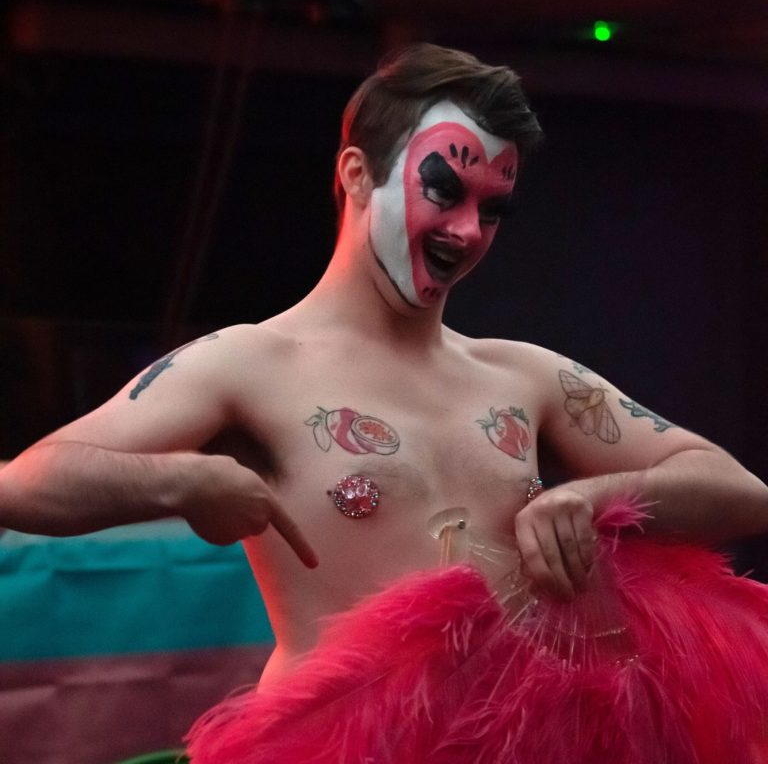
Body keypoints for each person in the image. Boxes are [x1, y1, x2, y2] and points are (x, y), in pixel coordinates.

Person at [2, 43, 768, 762]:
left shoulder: (523, 377)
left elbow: (739, 491)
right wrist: (181, 482)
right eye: (445, 190)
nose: (467, 230)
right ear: (357, 175)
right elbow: (24, 483)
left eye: (493, 209)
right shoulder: (248, 365)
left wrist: (597, 497)